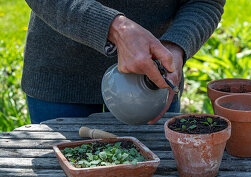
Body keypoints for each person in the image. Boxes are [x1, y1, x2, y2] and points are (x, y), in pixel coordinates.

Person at [22, 0, 225, 124]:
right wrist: (113, 28)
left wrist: (176, 45)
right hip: (60, 77)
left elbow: (205, 1)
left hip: (153, 84)